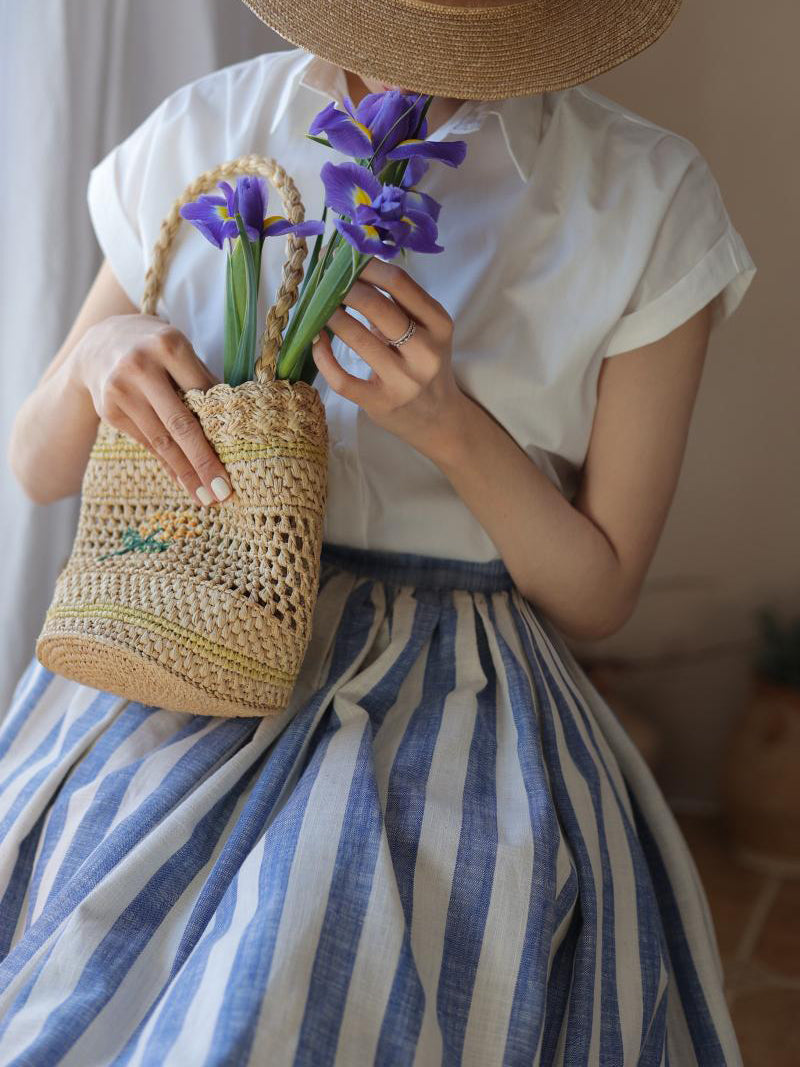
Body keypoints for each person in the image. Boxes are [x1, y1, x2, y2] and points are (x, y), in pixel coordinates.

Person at [0, 0, 756, 1062]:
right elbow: (36, 465)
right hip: (178, 640)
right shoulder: (206, 132)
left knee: (296, 969)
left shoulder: (643, 200)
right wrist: (96, 357)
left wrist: (448, 425)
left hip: (450, 692)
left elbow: (600, 590)